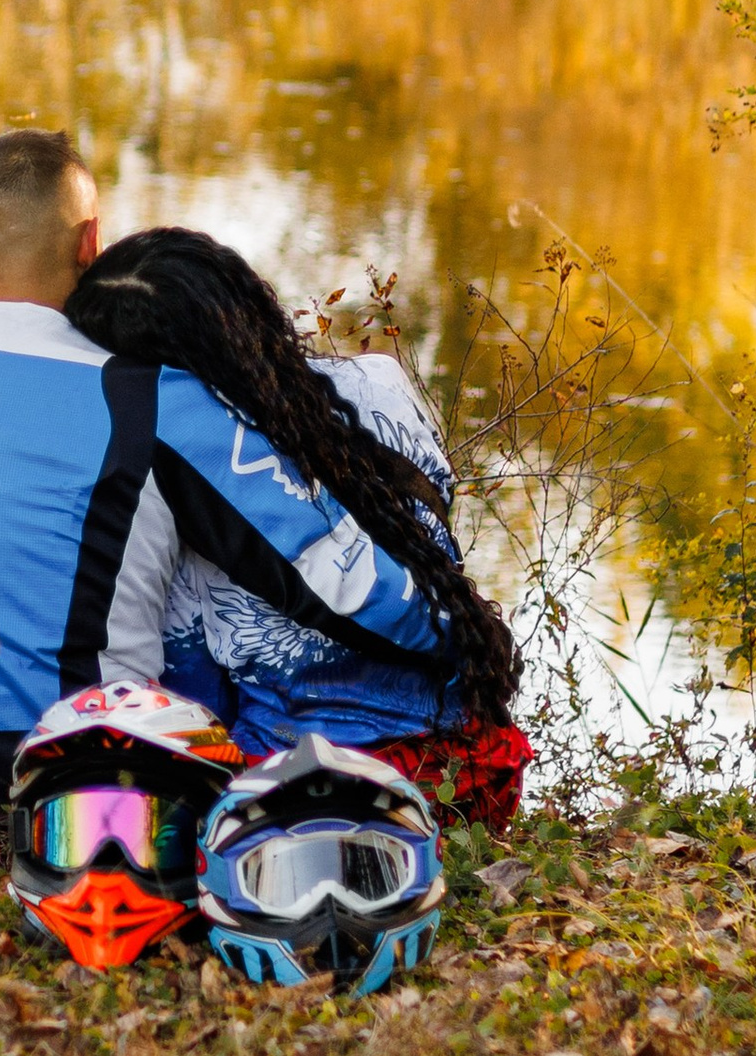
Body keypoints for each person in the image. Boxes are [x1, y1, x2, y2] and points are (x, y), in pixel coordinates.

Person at [0, 129, 456, 831]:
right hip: (80, 803)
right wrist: (461, 639)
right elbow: (335, 582)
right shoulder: (155, 397)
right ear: (90, 243)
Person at [63, 224, 531, 831]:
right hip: (468, 773)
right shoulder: (383, 384)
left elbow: (190, 697)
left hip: (295, 800)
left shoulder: (182, 467)